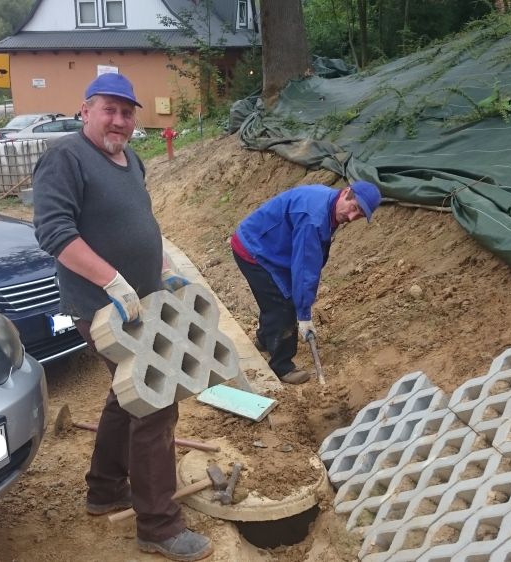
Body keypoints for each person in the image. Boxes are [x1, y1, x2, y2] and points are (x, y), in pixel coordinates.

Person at [32, 73, 211, 562]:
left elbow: (139, 222)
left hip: (142, 303)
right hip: (102, 308)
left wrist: (163, 267)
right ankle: (158, 525)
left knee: (125, 394)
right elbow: (54, 233)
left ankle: (106, 488)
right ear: (85, 111)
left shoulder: (131, 159)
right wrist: (111, 281)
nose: (118, 120)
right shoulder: (66, 158)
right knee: (155, 398)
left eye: (127, 112)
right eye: (108, 109)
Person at [231, 181, 381, 384]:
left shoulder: (329, 203)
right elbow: (305, 267)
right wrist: (303, 315)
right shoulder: (314, 219)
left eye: (360, 215)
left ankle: (265, 340)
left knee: (276, 298)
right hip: (254, 250)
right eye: (354, 208)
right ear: (346, 192)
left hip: (270, 245)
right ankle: (282, 366)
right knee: (283, 305)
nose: (352, 217)